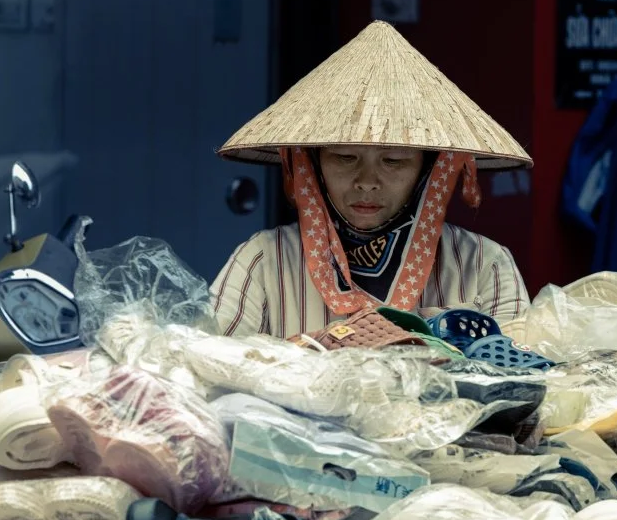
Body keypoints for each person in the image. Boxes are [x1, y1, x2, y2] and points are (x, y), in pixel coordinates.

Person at [212, 21, 532, 340]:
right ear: (313, 166)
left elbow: (519, 379)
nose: (367, 181)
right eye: (344, 157)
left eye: (393, 161)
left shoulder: (483, 266)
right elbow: (205, 364)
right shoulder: (263, 262)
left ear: (428, 172)